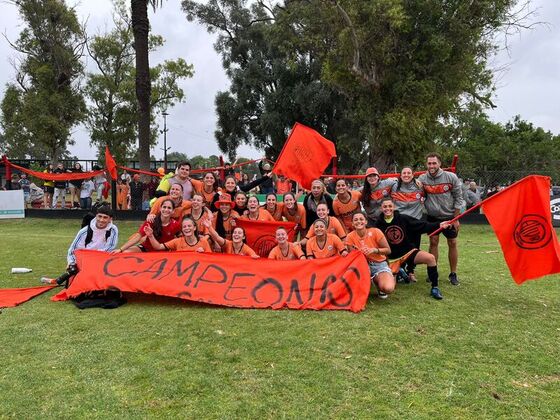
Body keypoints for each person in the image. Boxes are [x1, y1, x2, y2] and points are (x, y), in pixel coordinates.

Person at [375, 198, 450, 299]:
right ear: (381, 208)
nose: (387, 209)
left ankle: (435, 287)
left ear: (394, 207)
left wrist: (438, 225)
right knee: (390, 288)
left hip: (407, 252)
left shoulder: (403, 218)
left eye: (390, 206)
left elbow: (422, 225)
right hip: (392, 258)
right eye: (385, 206)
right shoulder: (378, 224)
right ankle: (399, 270)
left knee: (430, 258)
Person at [40, 205, 118, 285]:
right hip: (84, 260)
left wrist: (95, 259)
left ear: (110, 219)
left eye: (105, 217)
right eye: (99, 216)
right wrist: (71, 262)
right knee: (74, 273)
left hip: (100, 259)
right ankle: (59, 280)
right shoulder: (84, 231)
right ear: (96, 216)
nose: (101, 220)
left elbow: (110, 248)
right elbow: (73, 250)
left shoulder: (113, 230)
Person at [418, 153, 464, 285]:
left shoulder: (450, 177)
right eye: (429, 163)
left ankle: (453, 274)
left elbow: (458, 198)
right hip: (432, 217)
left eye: (434, 163)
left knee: (453, 243)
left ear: (440, 164)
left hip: (449, 217)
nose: (431, 166)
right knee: (433, 242)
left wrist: (456, 218)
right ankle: (433, 271)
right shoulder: (422, 179)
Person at [345, 212, 393, 299]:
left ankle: (377, 281)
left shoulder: (376, 231)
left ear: (366, 221)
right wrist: (360, 254)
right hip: (362, 265)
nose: (359, 221)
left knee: (388, 288)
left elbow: (388, 250)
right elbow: (352, 257)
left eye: (361, 219)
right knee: (357, 290)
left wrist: (374, 250)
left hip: (379, 264)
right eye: (355, 220)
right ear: (352, 223)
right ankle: (369, 280)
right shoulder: (350, 237)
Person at [391, 166, 425, 278]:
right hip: (401, 222)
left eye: (408, 173)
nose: (406, 175)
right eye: (404, 173)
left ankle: (411, 271)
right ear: (400, 175)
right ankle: (399, 270)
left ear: (413, 174)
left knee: (414, 247)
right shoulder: (394, 186)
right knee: (400, 247)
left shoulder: (420, 186)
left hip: (415, 221)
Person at [113, 199, 181, 253]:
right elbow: (138, 236)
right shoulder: (151, 220)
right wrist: (121, 249)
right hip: (146, 248)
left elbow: (181, 240)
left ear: (173, 211)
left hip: (164, 252)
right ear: (160, 208)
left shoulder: (176, 225)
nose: (166, 210)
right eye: (164, 207)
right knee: (125, 252)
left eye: (169, 208)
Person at [145, 216, 212, 252]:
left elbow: (209, 260)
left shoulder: (203, 241)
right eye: (184, 227)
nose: (187, 228)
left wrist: (203, 254)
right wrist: (150, 236)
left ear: (194, 228)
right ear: (182, 230)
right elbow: (158, 247)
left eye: (189, 226)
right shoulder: (177, 241)